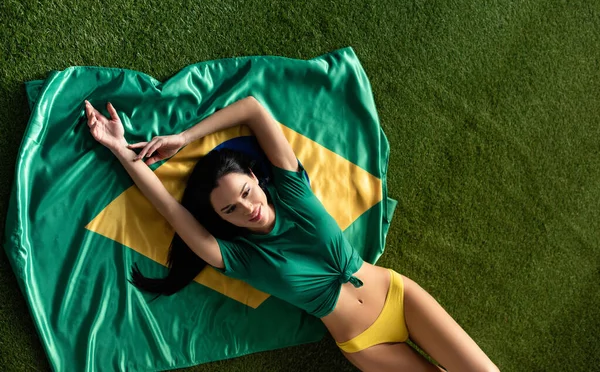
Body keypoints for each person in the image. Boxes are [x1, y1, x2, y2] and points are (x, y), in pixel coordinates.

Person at [84, 96, 499, 372]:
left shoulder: (292, 189)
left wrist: (183, 139)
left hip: (399, 297)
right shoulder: (237, 257)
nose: (247, 208)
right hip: (366, 344)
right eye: (230, 209)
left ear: (254, 177)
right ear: (221, 219)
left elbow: (252, 109)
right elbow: (169, 208)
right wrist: (119, 148)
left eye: (246, 193)